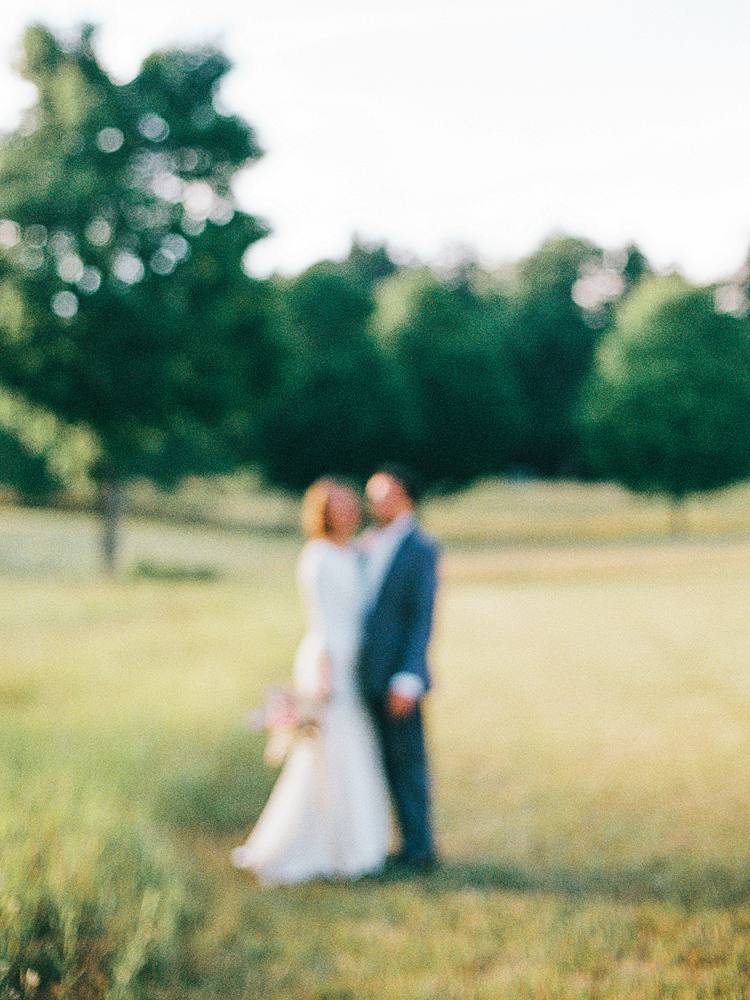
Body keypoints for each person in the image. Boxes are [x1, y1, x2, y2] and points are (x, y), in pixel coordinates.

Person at [231, 478, 390, 885]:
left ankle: (356, 841)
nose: (347, 512)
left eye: (349, 505)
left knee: (351, 750)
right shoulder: (317, 557)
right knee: (328, 753)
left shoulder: (351, 552)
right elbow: (321, 622)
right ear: (321, 513)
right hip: (329, 664)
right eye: (336, 507)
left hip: (354, 664)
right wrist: (323, 676)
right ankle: (323, 846)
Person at [358, 465, 440, 872]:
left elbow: (421, 617)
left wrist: (408, 678)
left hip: (397, 679)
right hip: (363, 675)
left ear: (405, 496)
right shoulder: (369, 543)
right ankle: (379, 840)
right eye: (371, 494)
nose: (374, 502)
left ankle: (419, 849)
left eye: (383, 493)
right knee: (372, 761)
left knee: (407, 763)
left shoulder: (421, 548)